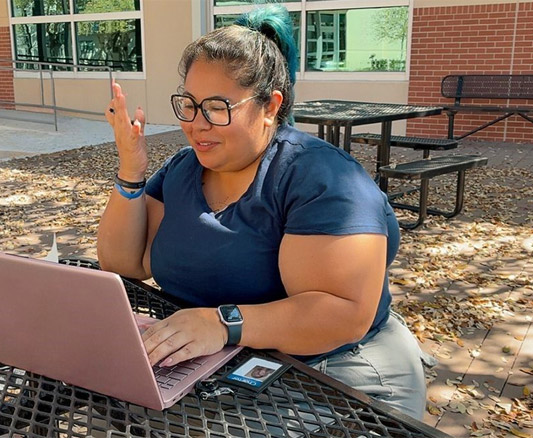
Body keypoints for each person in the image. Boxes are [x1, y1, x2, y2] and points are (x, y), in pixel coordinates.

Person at [97, 5, 426, 419]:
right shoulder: (182, 170)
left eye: (217, 107)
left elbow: (341, 316)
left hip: (337, 374)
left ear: (270, 106)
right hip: (223, 365)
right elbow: (124, 263)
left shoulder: (321, 178)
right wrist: (131, 171)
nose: (197, 124)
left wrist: (222, 324)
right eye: (189, 104)